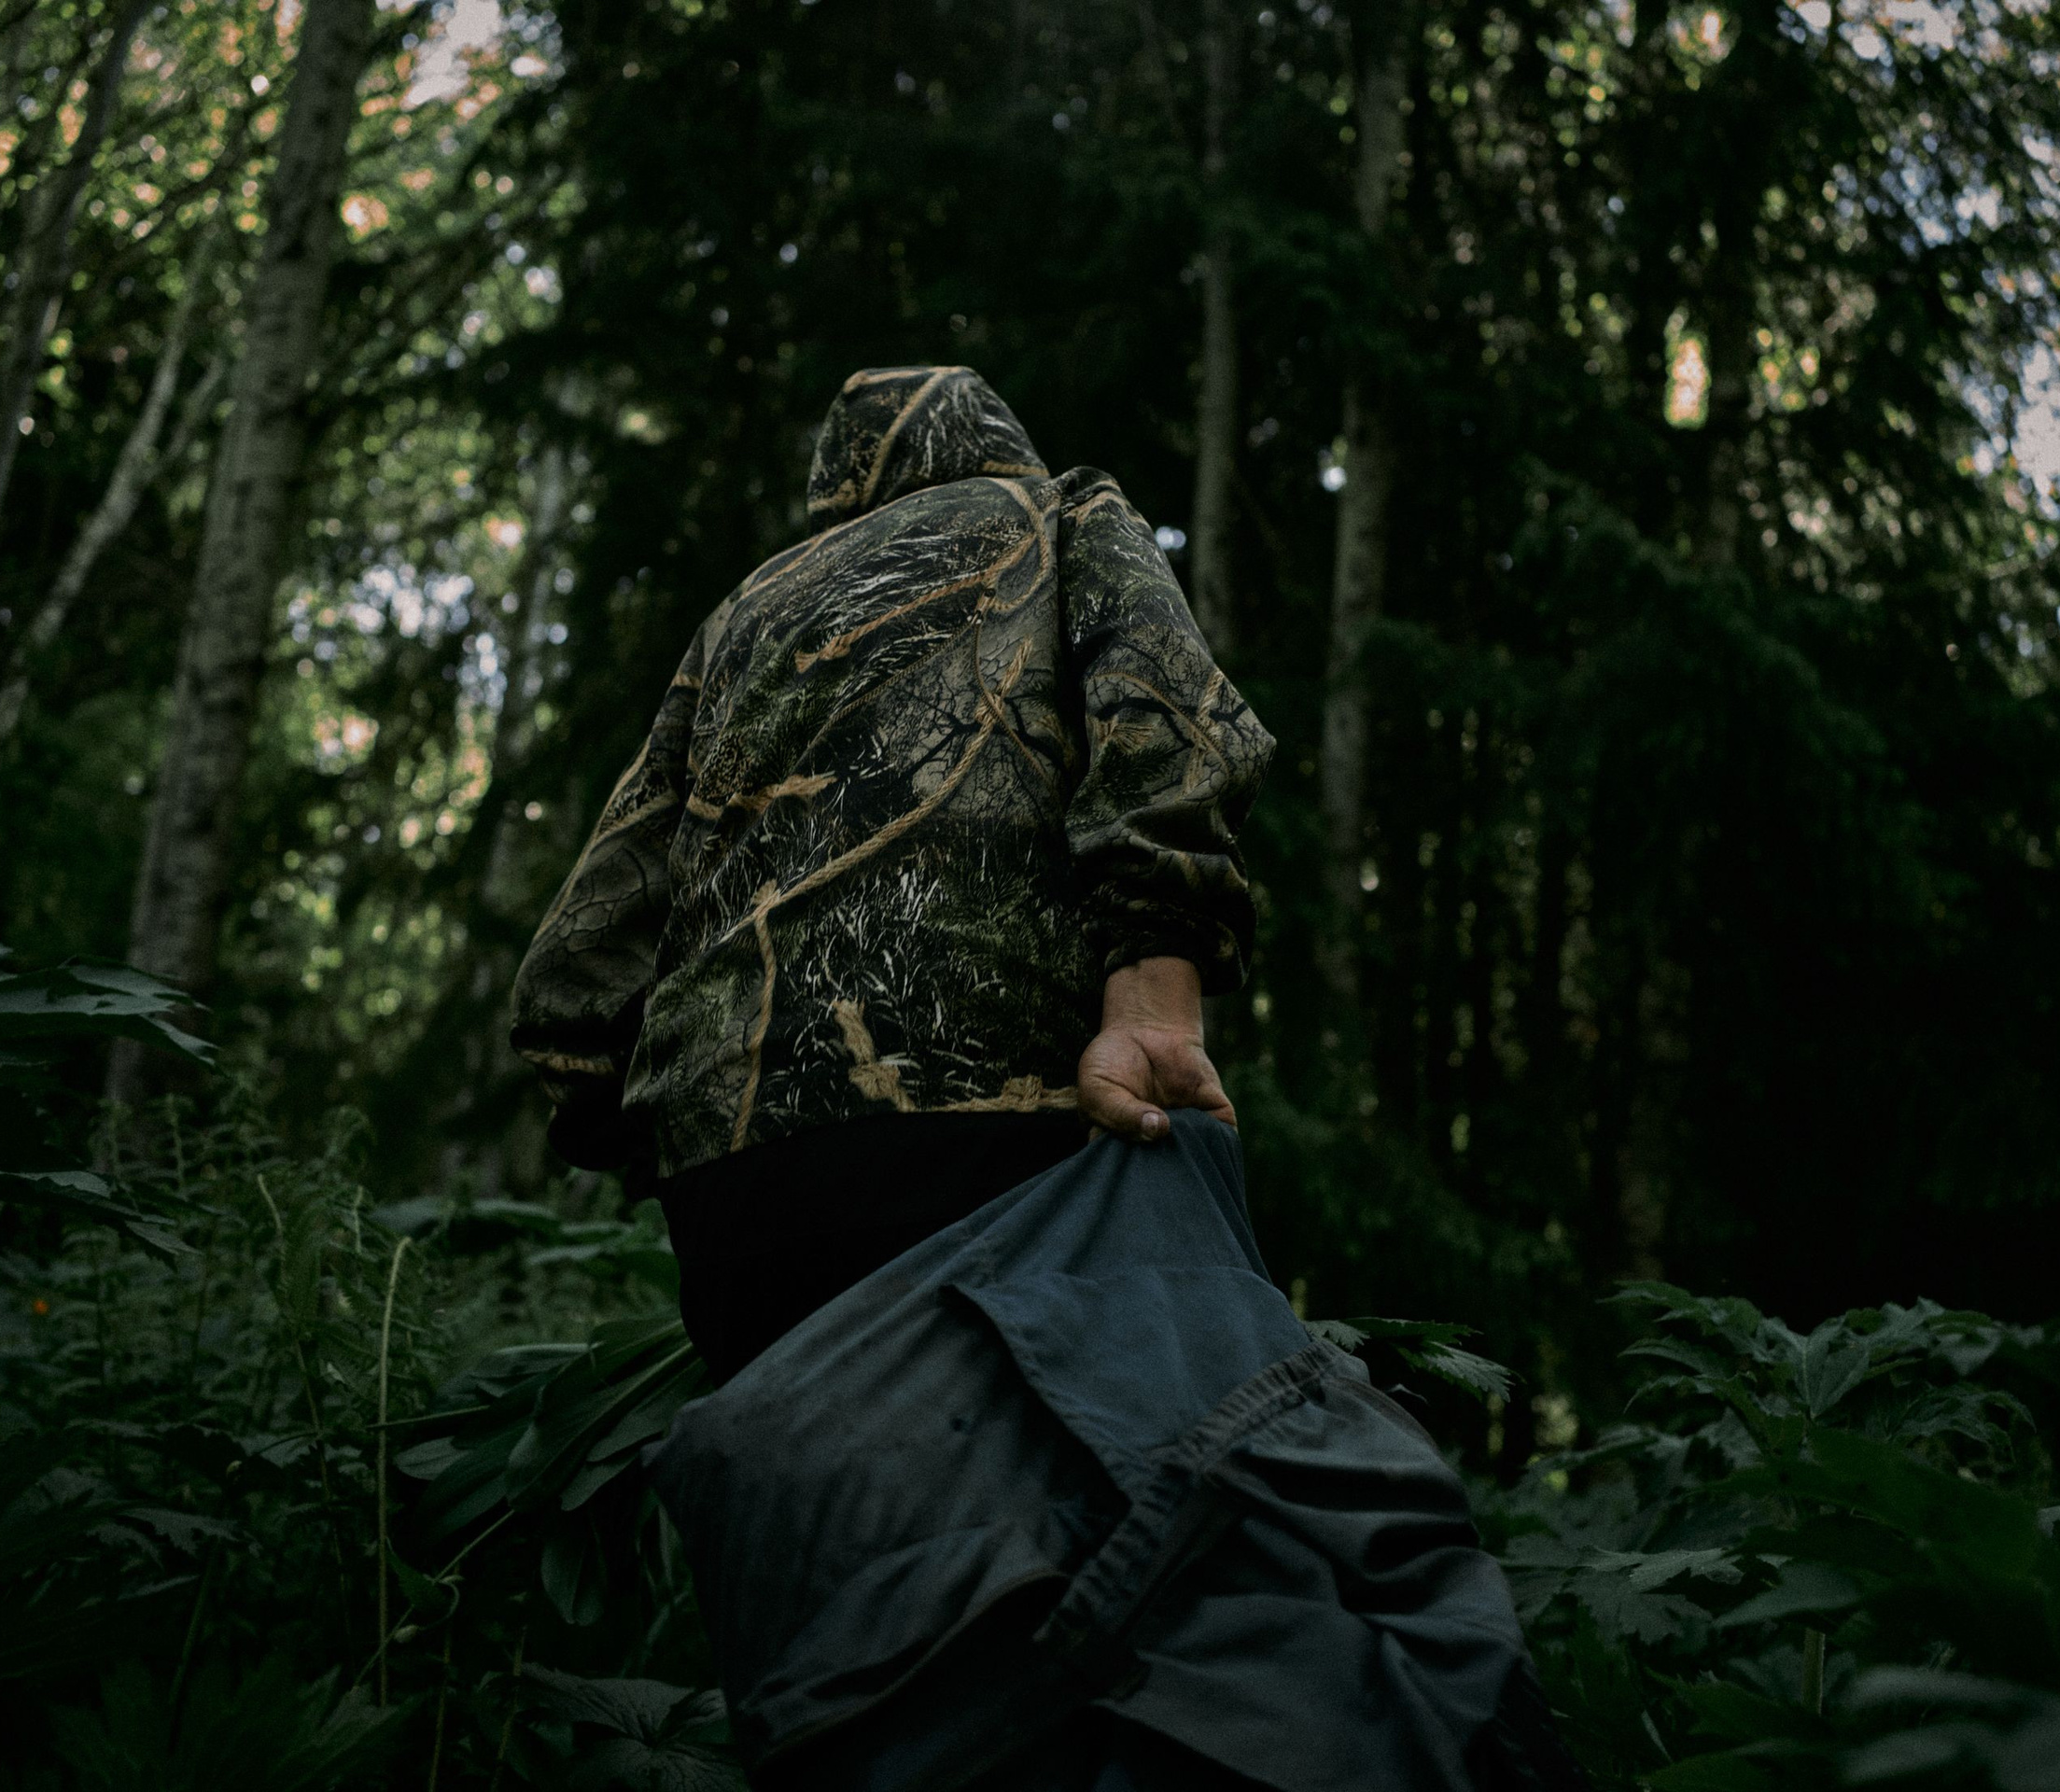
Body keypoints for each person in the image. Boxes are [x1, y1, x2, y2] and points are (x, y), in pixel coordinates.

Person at [512, 368, 1577, 1791]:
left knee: (899, 1674)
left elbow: (574, 993)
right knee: (1190, 1603)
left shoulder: (740, 621)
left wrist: (698, 1131)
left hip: (740, 1216)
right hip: (997, 1143)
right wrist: (1154, 986)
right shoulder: (1062, 514)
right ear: (997, 446)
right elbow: (1169, 713)